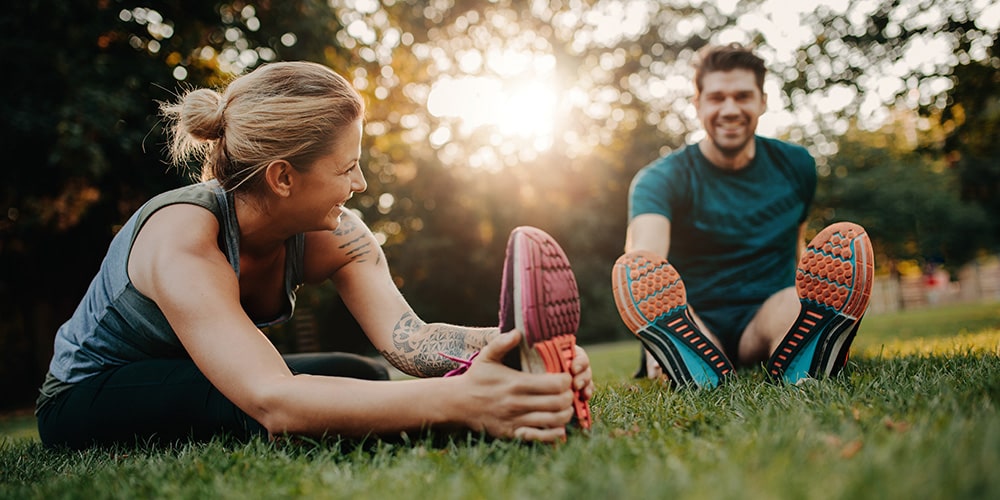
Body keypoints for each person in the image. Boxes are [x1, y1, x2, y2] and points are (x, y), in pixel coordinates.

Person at [36, 61, 592, 450]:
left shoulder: (337, 234)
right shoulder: (185, 235)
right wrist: (462, 403)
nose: (362, 182)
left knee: (363, 377)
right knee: (259, 410)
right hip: (91, 393)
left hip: (195, 375)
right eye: (346, 167)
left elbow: (413, 342)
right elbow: (274, 399)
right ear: (283, 177)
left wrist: (520, 349)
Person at [611, 43, 874, 388]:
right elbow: (645, 263)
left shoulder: (797, 166)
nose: (730, 109)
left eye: (743, 96)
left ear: (763, 101)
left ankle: (810, 350)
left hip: (766, 314)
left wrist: (810, 294)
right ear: (698, 104)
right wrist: (648, 335)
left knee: (794, 305)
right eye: (717, 98)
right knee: (680, 320)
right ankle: (675, 352)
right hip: (695, 317)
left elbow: (796, 243)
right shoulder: (660, 179)